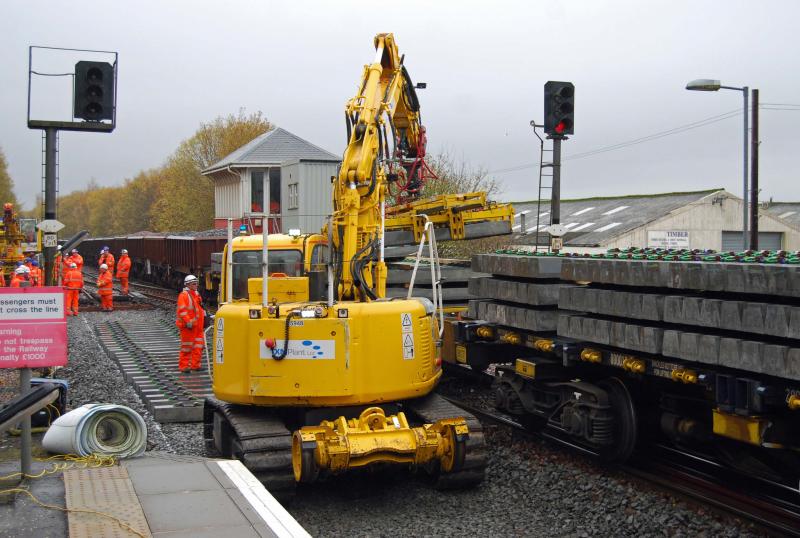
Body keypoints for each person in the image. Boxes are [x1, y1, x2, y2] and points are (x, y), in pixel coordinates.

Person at [176, 274, 205, 373]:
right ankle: (183, 367)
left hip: (198, 326)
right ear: (187, 285)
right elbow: (182, 311)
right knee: (187, 347)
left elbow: (200, 309)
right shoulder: (183, 296)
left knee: (199, 346)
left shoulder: (196, 294)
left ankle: (195, 365)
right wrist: (188, 322)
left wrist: (205, 318)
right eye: (193, 284)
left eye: (196, 283)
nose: (196, 285)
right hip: (188, 327)